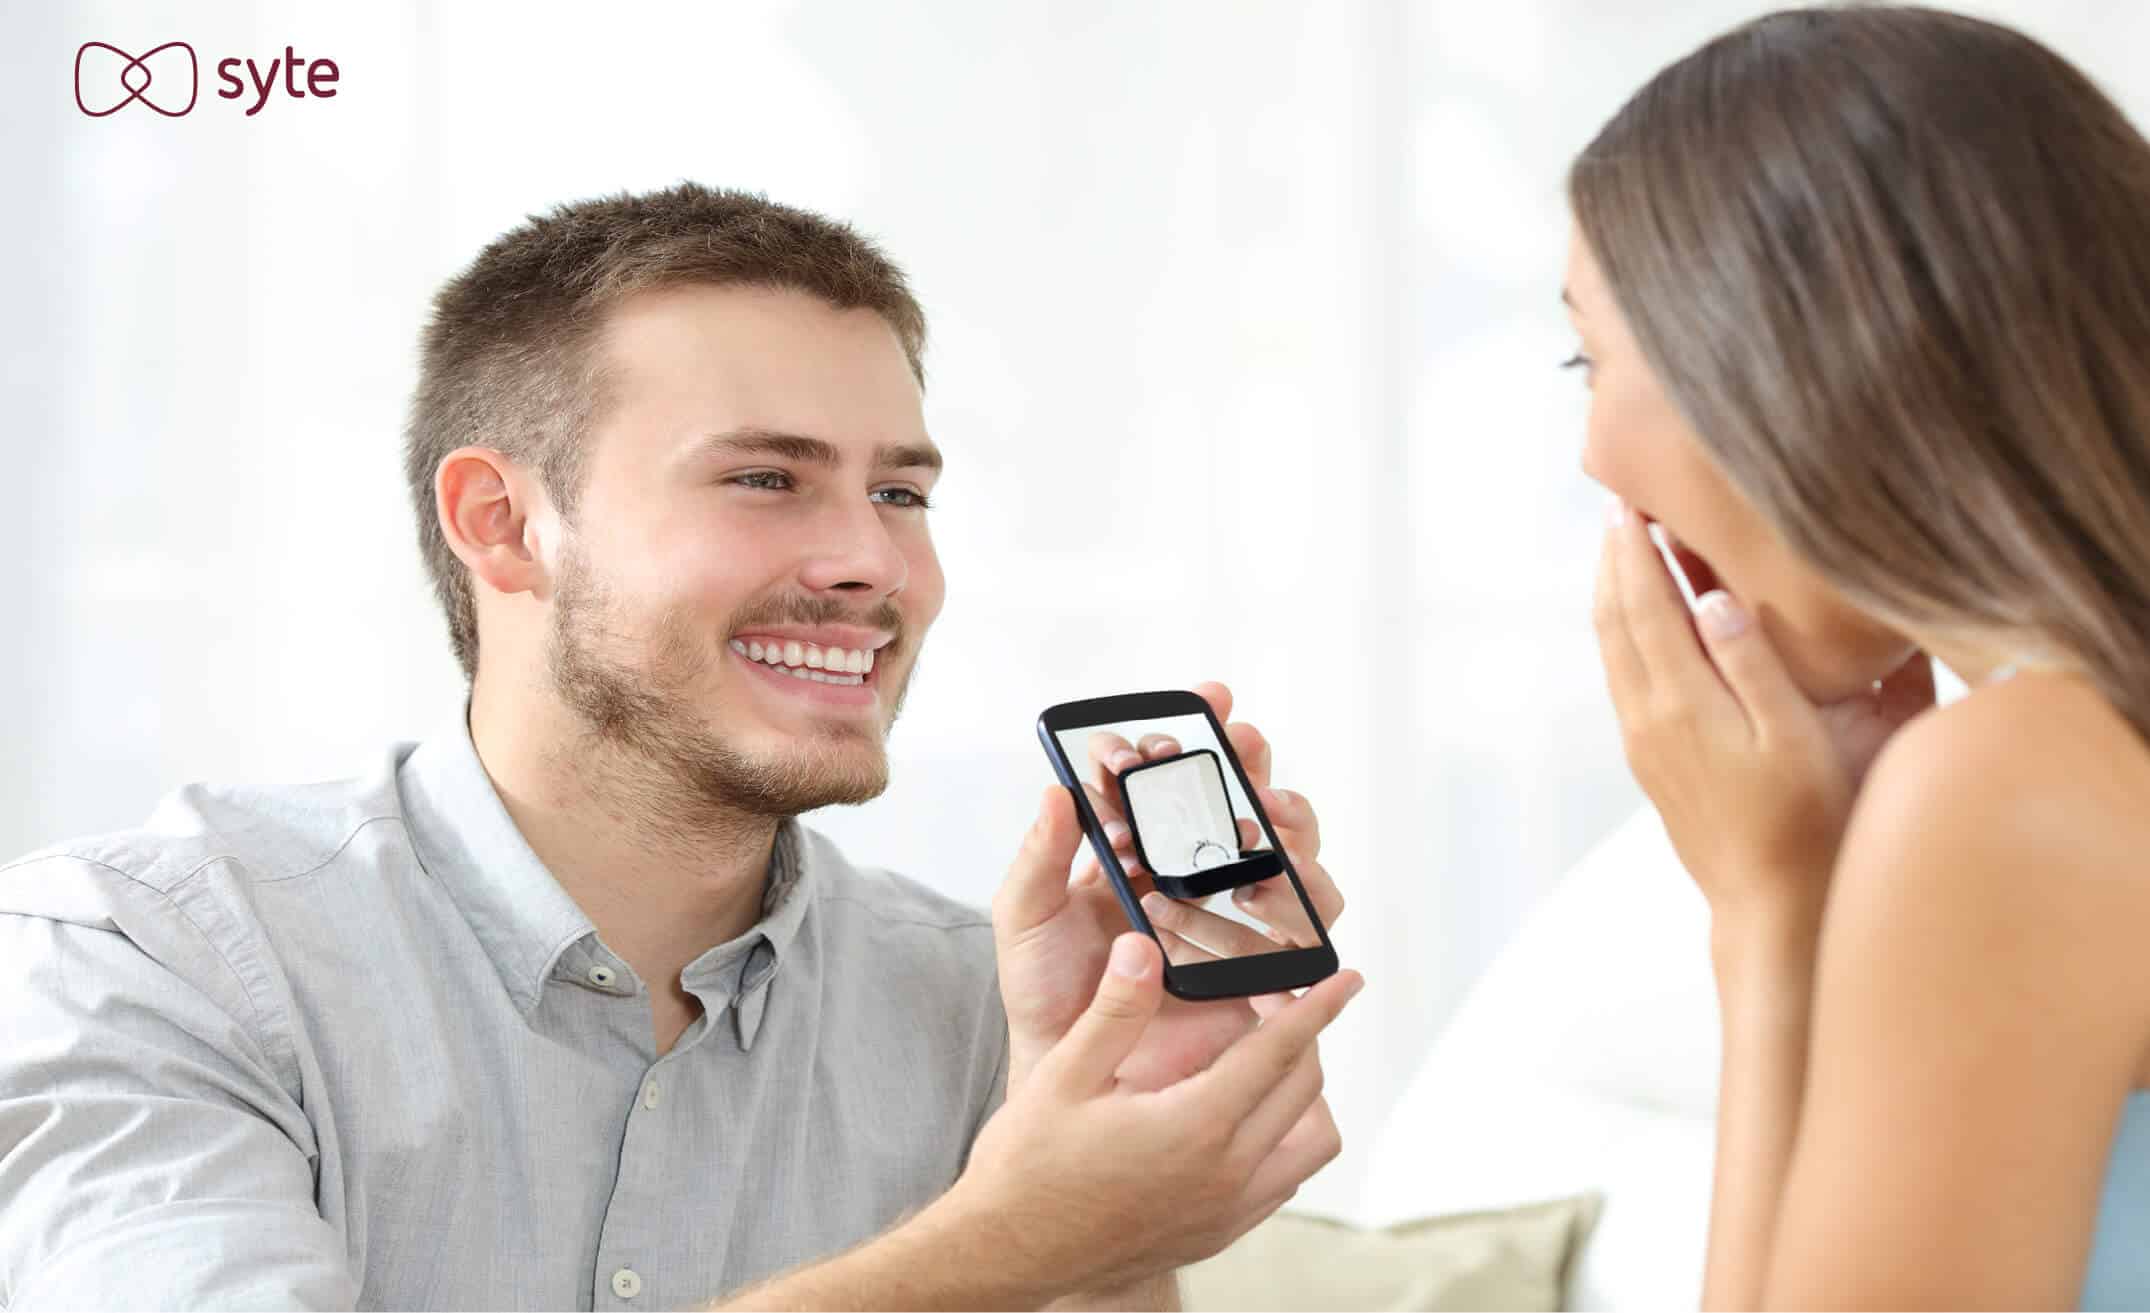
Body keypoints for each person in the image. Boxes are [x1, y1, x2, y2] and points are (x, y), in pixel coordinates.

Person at [0, 183, 1358, 1310]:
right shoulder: (145, 958)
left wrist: (1105, 1184)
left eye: (899, 490)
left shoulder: (973, 1007)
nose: (870, 563)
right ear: (501, 522)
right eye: (765, 478)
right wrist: (1008, 1238)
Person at [1566, 6, 2150, 1307]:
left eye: (1587, 357)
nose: (1591, 459)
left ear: (1782, 367)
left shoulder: (2011, 785)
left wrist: (1765, 913)